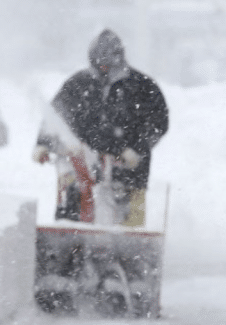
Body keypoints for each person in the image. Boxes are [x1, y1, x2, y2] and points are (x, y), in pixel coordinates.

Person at [33, 28, 169, 227]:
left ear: (119, 59)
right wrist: (44, 143)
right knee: (72, 212)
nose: (102, 72)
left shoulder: (143, 87)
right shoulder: (78, 84)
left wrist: (137, 149)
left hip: (129, 171)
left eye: (106, 66)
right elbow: (56, 116)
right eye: (98, 66)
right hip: (82, 165)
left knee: (128, 226)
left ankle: (128, 252)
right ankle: (70, 245)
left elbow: (158, 123)